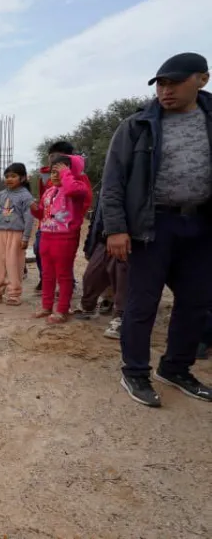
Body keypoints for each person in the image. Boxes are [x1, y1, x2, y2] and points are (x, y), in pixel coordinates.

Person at [101, 52, 212, 407]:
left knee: (196, 302)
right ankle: (135, 371)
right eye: (161, 83)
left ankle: (176, 368)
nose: (166, 90)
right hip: (153, 225)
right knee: (142, 303)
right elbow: (113, 182)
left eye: (175, 82)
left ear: (202, 79)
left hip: (201, 223)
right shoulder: (136, 126)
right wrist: (116, 229)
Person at [31, 155, 91, 323]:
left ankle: (63, 309)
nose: (55, 175)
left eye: (60, 171)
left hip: (65, 238)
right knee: (47, 274)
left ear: (72, 172)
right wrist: (34, 209)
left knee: (64, 275)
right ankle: (46, 306)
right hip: (46, 236)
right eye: (53, 172)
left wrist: (66, 174)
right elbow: (43, 213)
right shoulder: (49, 191)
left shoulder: (78, 187)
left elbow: (72, 189)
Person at [75, 189, 127, 340]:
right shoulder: (107, 186)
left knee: (122, 278)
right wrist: (89, 243)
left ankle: (121, 318)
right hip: (103, 238)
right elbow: (96, 219)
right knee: (91, 275)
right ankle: (88, 307)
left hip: (125, 237)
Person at [0, 163, 34, 306]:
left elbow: (29, 218)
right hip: (0, 232)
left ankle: (14, 294)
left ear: (23, 178)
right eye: (7, 176)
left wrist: (25, 237)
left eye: (13, 176)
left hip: (16, 234)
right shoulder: (1, 195)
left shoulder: (26, 197)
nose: (9, 179)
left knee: (14, 264)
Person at [33, 141, 76, 292]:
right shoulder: (45, 175)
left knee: (63, 257)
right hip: (46, 222)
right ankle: (44, 279)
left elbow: (80, 199)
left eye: (56, 155)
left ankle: (68, 284)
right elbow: (43, 197)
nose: (52, 159)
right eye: (50, 156)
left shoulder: (76, 176)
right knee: (38, 249)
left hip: (66, 226)